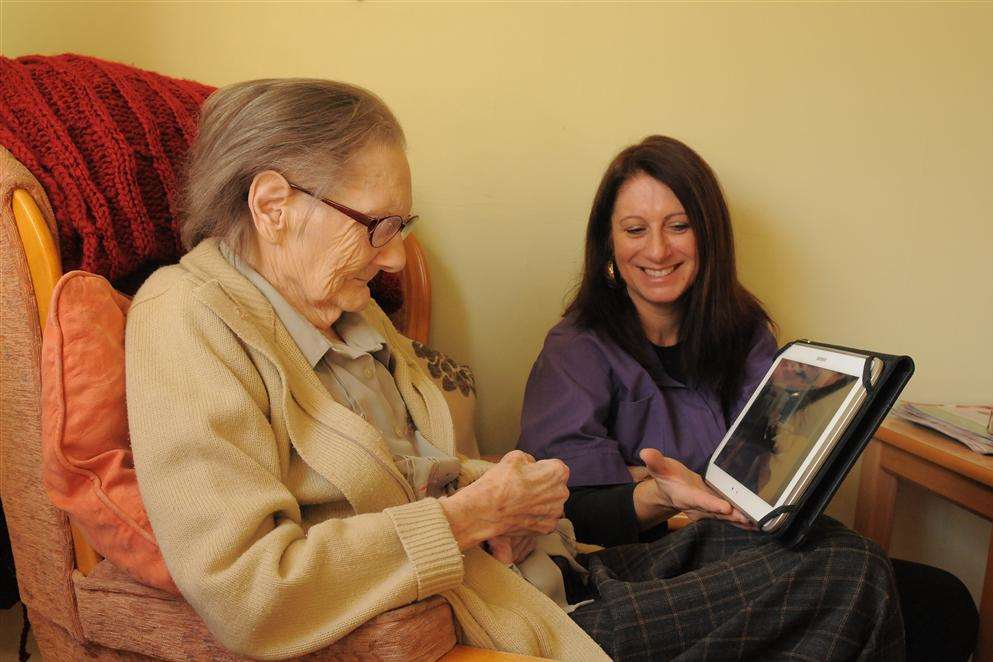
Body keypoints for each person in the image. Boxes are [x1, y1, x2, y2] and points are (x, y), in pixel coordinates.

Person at [519, 135, 977, 660]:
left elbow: (773, 465)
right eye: (635, 230)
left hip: (745, 543)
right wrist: (659, 495)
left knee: (942, 600)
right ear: (608, 245)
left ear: (708, 235)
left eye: (679, 226)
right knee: (860, 568)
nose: (658, 250)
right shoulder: (575, 348)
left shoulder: (745, 331)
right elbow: (564, 506)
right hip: (636, 564)